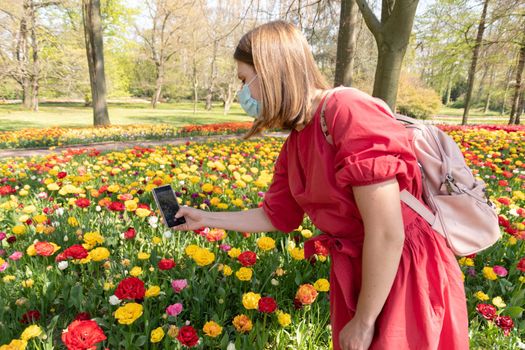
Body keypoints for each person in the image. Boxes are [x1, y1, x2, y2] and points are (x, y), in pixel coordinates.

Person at [173, 20, 469, 350]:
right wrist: (205, 218)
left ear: (270, 72)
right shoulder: (298, 141)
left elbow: (387, 231)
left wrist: (365, 321)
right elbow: (276, 216)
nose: (245, 94)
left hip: (404, 271)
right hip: (363, 272)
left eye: (245, 80)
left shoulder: (348, 111)